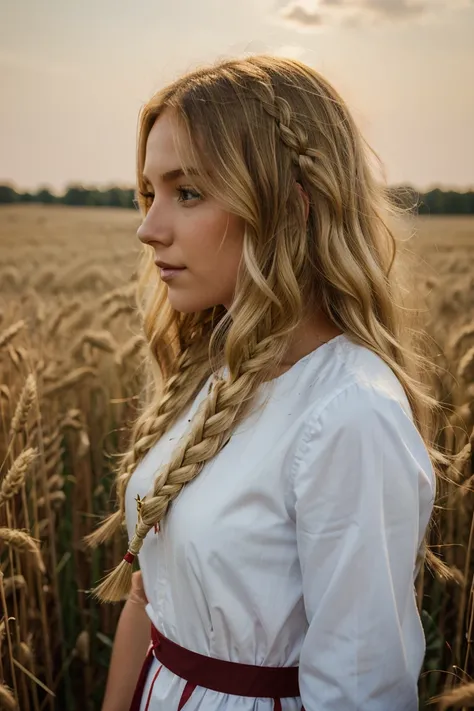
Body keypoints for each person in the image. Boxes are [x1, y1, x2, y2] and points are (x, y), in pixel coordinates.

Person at [86, 54, 442, 711]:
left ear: (290, 205)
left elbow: (360, 692)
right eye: (149, 192)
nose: (148, 228)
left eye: (186, 192)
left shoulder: (349, 415)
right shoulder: (208, 371)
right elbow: (151, 597)